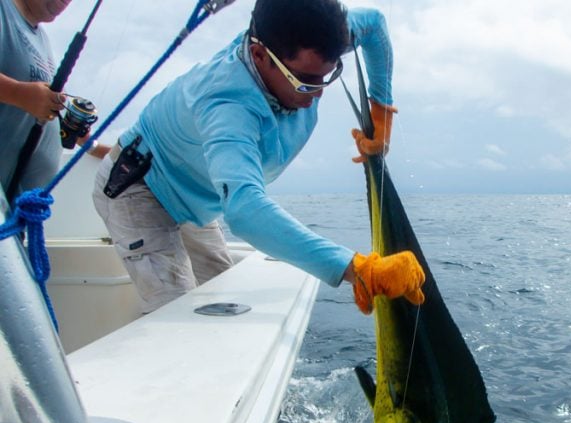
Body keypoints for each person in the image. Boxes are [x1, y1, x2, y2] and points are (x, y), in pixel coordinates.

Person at [92, 0, 425, 314]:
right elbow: (245, 210)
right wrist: (356, 269)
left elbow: (374, 26)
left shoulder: (311, 39)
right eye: (306, 81)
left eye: (329, 75)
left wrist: (381, 107)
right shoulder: (227, 105)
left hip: (201, 190)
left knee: (220, 295)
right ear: (259, 54)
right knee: (179, 314)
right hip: (140, 189)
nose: (319, 91)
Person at [0, 0, 109, 200]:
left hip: (19, 213)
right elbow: (28, 96)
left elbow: (43, 103)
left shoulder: (41, 38)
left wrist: (91, 144)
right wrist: (17, 93)